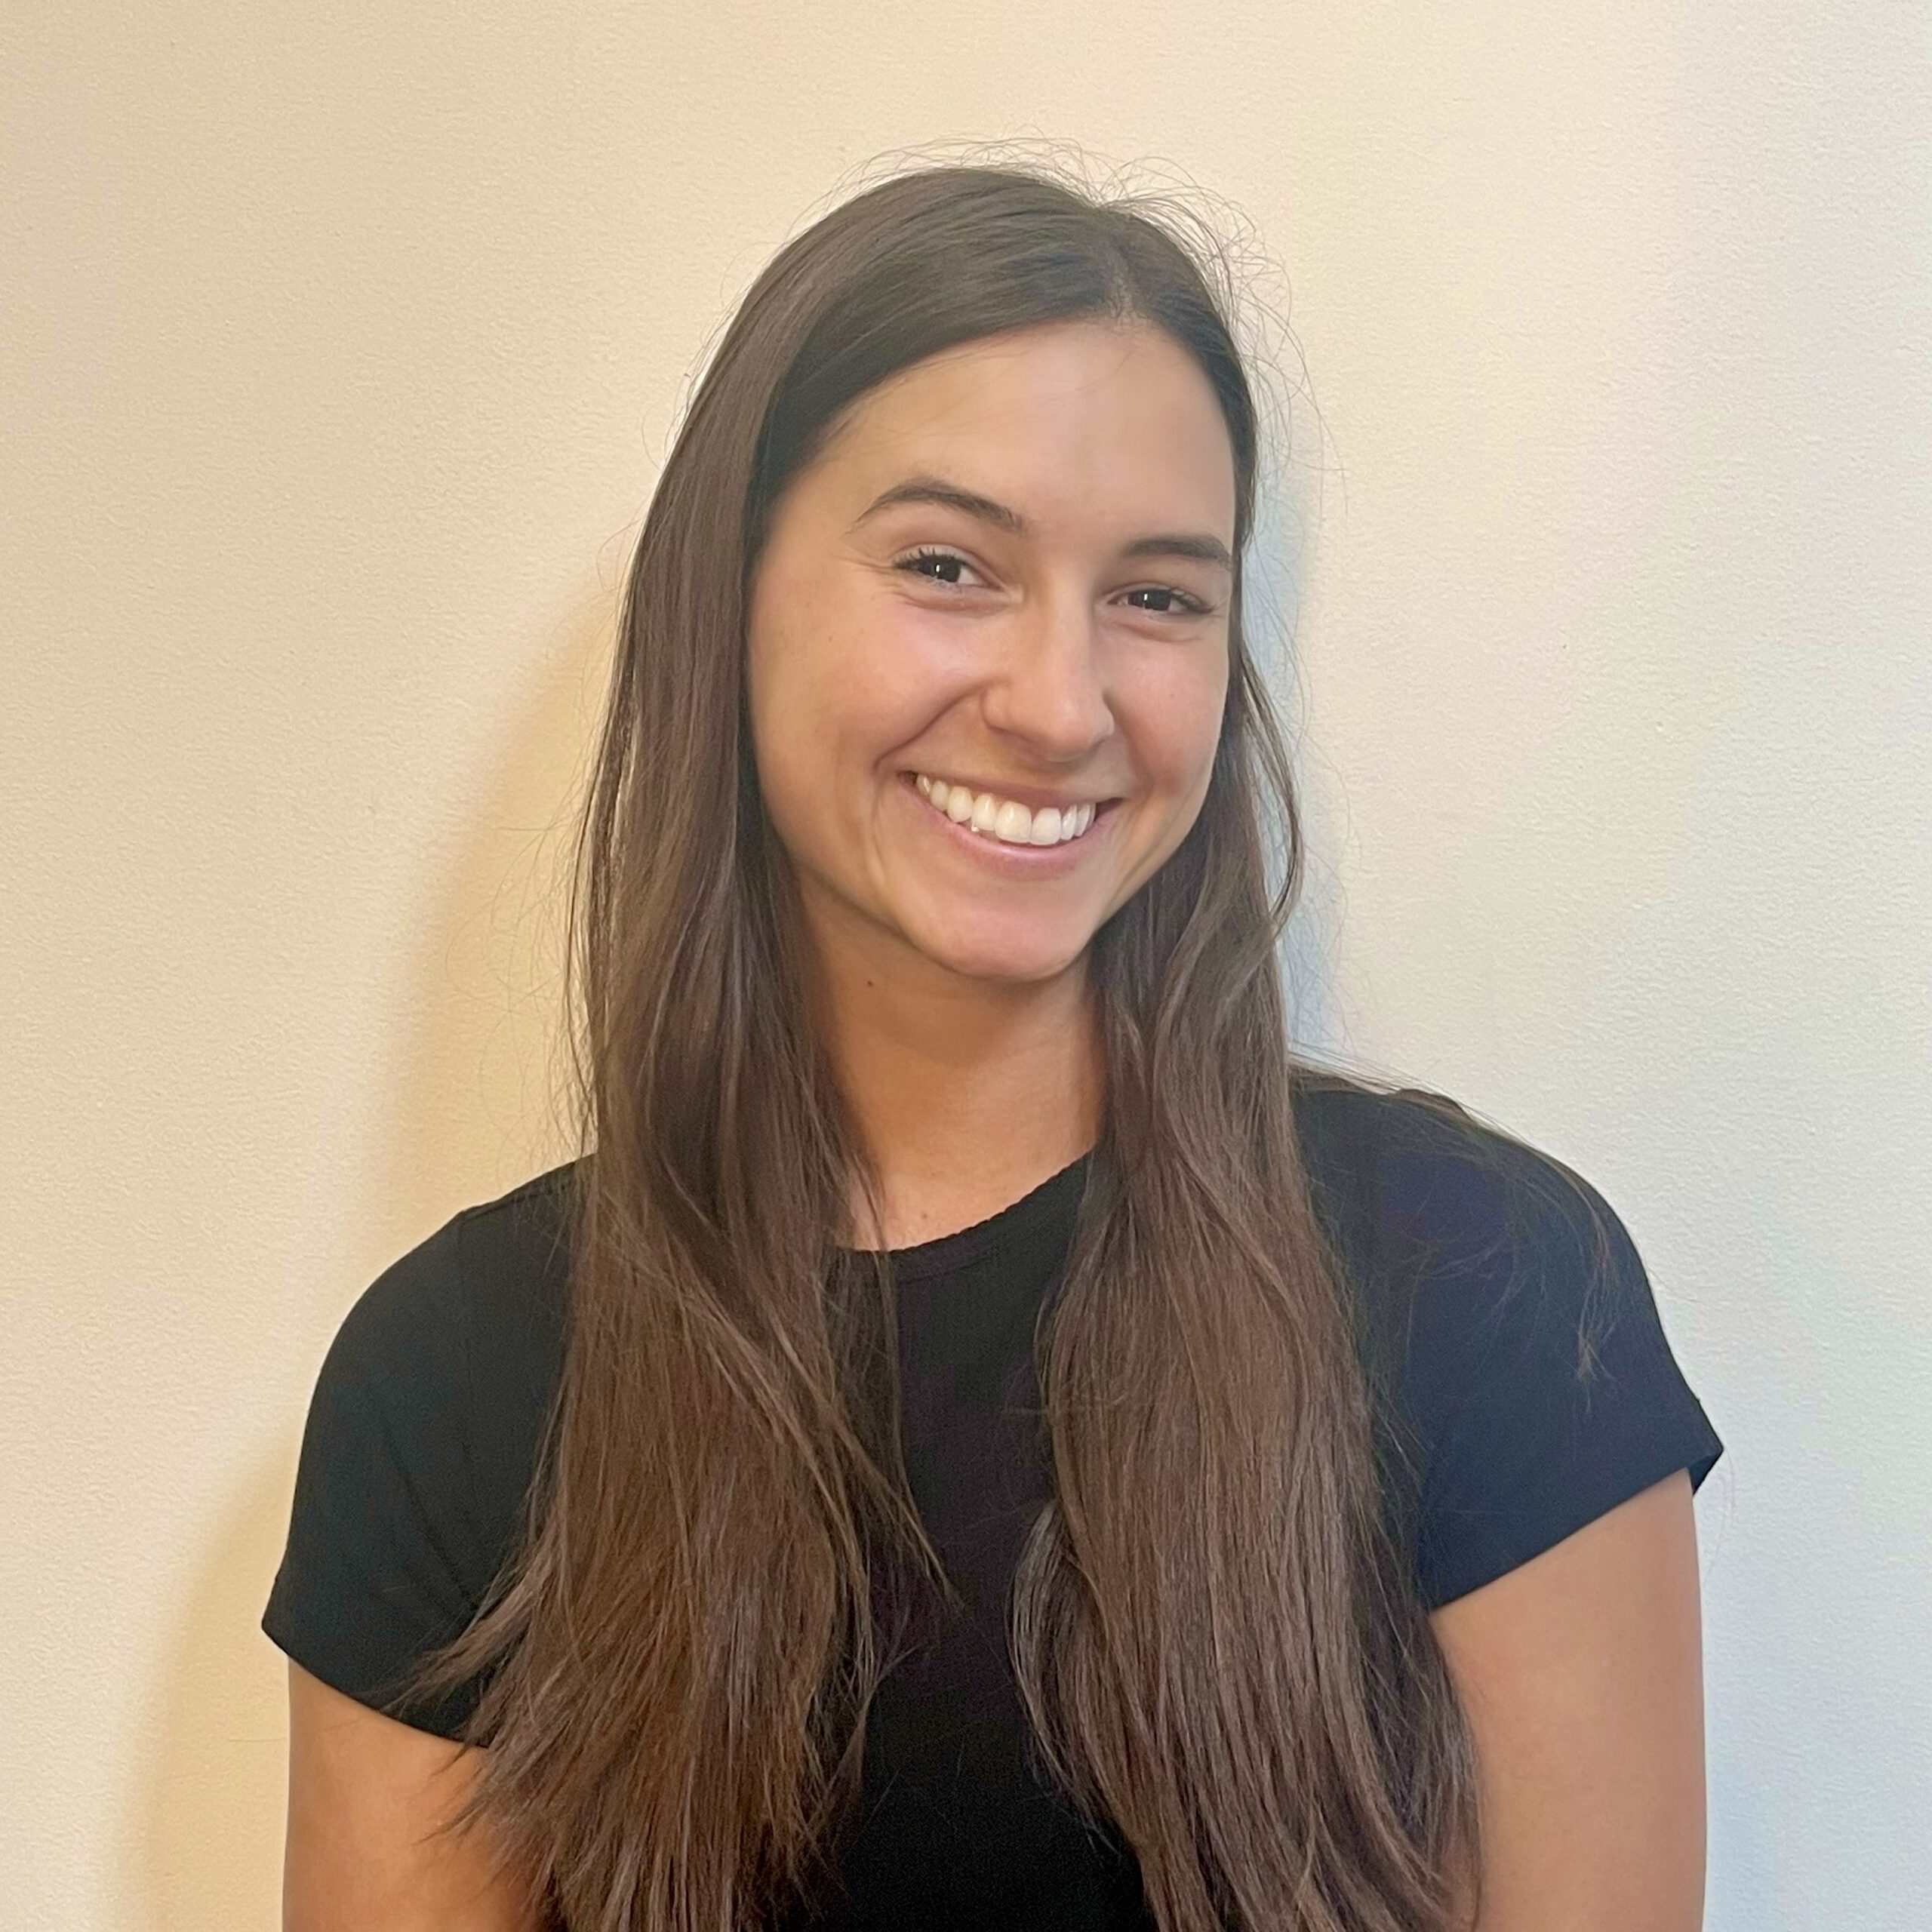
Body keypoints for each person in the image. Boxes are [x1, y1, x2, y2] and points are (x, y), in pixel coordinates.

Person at [263, 160, 1724, 1932]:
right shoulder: (455, 1382)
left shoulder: (1492, 1292)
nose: (1056, 701)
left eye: (1160, 596)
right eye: (949, 564)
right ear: (726, 599)